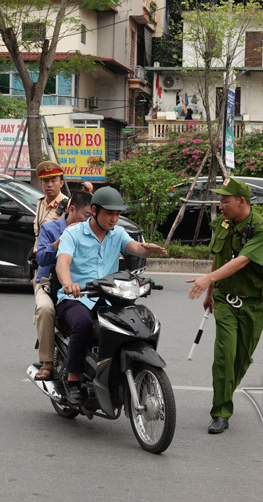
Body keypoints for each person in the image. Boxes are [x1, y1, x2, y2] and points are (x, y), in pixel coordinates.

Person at [55, 186, 167, 406]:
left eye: (117, 214)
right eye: (110, 214)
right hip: (76, 297)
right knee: (84, 324)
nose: (114, 219)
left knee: (133, 324)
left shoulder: (117, 233)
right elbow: (62, 263)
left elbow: (135, 248)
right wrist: (68, 284)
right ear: (94, 210)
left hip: (109, 297)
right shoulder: (73, 233)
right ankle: (73, 380)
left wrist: (147, 250)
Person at [186, 176, 263, 435]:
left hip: (254, 303)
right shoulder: (224, 224)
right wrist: (211, 291)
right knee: (224, 356)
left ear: (241, 201)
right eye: (220, 200)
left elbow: (242, 260)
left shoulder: (262, 230)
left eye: (225, 201)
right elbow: (220, 256)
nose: (221, 205)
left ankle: (225, 391)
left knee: (242, 357)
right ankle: (221, 411)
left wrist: (207, 280)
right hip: (226, 300)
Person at [32, 192, 92, 381]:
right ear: (72, 210)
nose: (88, 220)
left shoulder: (91, 230)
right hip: (48, 283)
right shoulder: (50, 229)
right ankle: (47, 363)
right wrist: (61, 241)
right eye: (86, 215)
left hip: (80, 284)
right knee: (45, 309)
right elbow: (40, 258)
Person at [32, 160, 68, 254]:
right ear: (41, 184)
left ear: (61, 183)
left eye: (53, 181)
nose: (49, 185)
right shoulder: (40, 203)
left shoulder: (68, 205)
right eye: (46, 181)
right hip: (40, 256)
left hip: (56, 257)